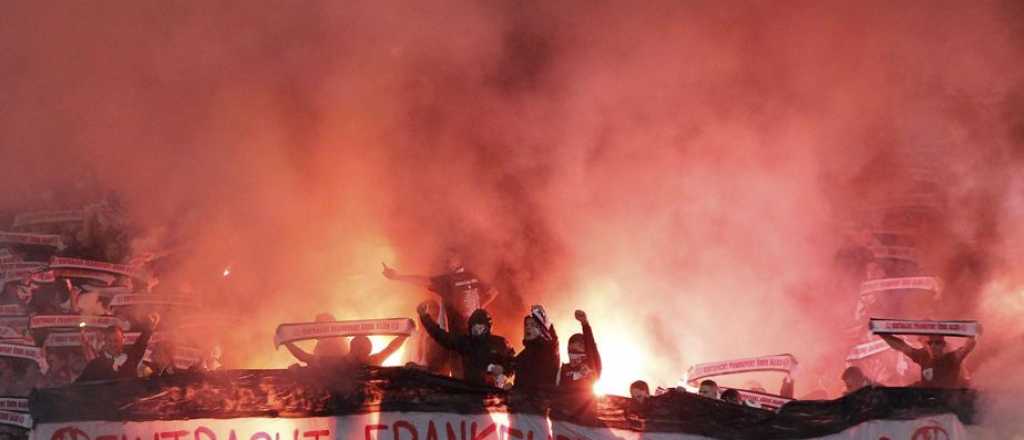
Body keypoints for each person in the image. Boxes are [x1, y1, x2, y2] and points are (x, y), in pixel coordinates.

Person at [383, 251, 500, 376]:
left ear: (459, 259)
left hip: (459, 338)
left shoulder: (449, 281)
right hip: (479, 338)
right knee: (478, 370)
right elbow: (493, 292)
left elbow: (424, 281)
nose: (446, 261)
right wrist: (477, 309)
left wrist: (398, 277)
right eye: (445, 258)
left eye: (450, 258)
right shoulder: (473, 277)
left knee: (459, 373)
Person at [417, 301, 514, 387]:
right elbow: (442, 336)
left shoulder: (500, 343)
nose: (477, 331)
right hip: (471, 390)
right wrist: (425, 317)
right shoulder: (465, 343)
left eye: (481, 327)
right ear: (470, 327)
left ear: (488, 327)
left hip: (494, 391)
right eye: (474, 328)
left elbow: (512, 364)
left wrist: (503, 372)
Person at [77, 313, 158, 382]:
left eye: (116, 341)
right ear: (105, 342)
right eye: (110, 341)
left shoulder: (130, 360)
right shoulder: (95, 364)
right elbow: (79, 386)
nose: (113, 344)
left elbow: (140, 345)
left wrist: (149, 329)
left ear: (122, 341)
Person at [878, 331, 978, 388]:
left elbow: (967, 347)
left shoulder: (951, 358)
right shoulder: (922, 355)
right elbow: (902, 346)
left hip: (947, 400)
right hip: (926, 398)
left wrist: (974, 334)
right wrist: (882, 334)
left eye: (937, 343)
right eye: (930, 343)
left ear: (943, 345)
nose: (933, 346)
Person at [511, 305, 559, 392]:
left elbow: (553, 338)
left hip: (543, 403)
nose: (528, 327)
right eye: (526, 325)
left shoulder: (548, 349)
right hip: (522, 403)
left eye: (533, 325)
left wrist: (544, 317)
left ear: (541, 330)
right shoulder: (521, 357)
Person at [557, 310, 601, 395]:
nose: (572, 354)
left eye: (576, 350)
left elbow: (591, 346)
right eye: (570, 350)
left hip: (585, 407)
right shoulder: (562, 369)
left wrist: (585, 324)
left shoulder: (592, 368)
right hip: (563, 407)